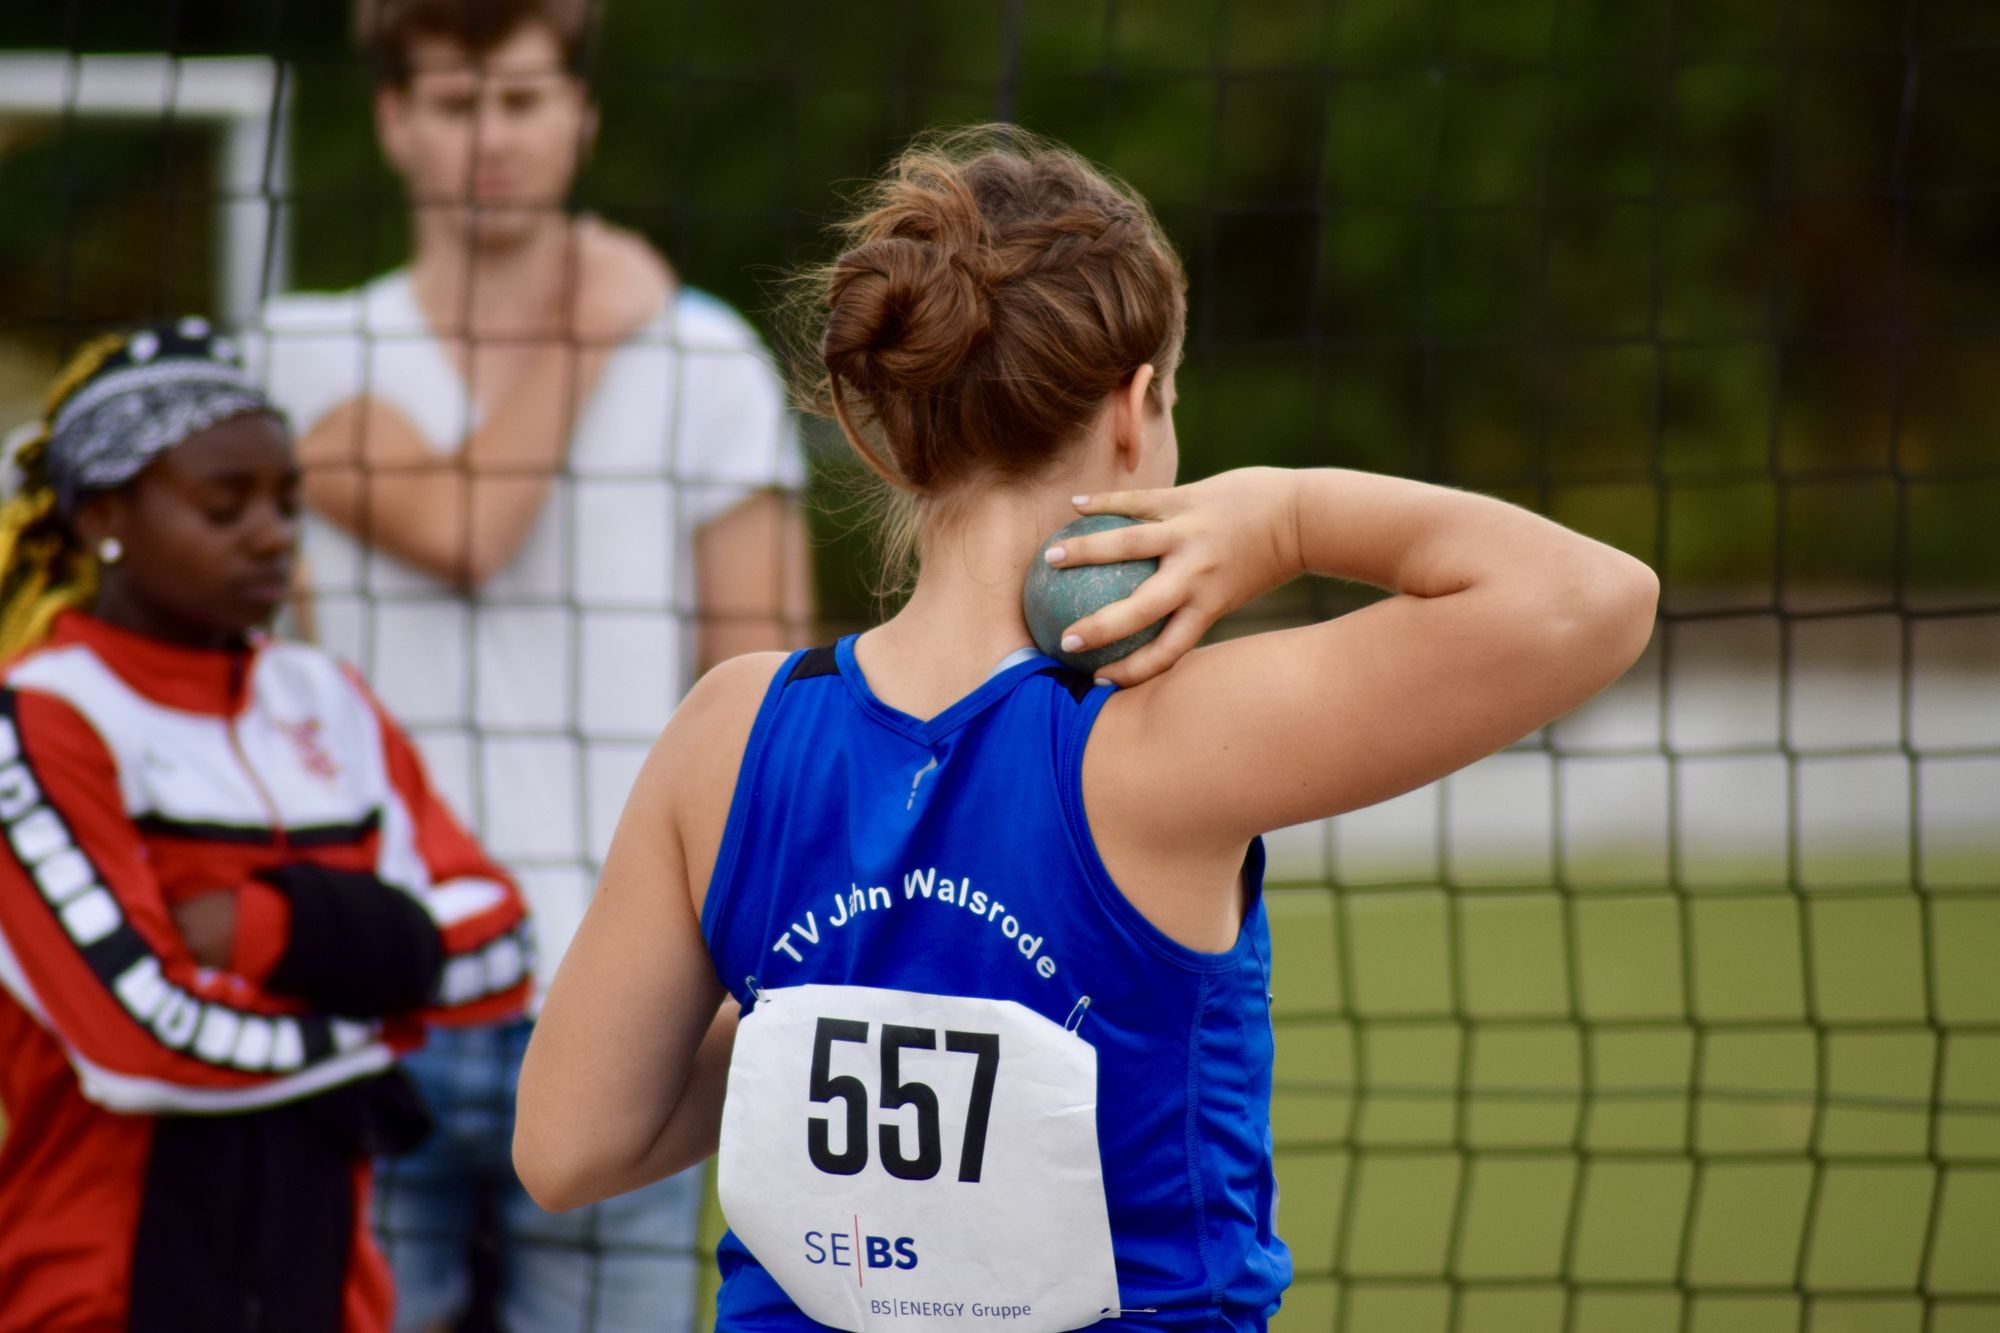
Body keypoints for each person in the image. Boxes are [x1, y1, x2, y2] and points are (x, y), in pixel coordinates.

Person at [511, 124, 1661, 1331]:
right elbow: (1589, 600)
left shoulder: (730, 730)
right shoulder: (1164, 739)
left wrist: (833, 999)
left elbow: (569, 1143)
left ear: (896, 431)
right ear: (1133, 411)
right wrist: (1282, 517)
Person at [256, 1, 810, 1329]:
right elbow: (464, 531)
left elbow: (767, 700)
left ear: (582, 118)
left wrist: (734, 976)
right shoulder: (306, 349)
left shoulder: (706, 360)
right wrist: (591, 326)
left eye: (520, 100)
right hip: (372, 996)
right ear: (394, 122)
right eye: (456, 105)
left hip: (627, 1000)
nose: (490, 138)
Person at [0, 320, 532, 1333]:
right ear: (105, 516)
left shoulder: (324, 697)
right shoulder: (41, 718)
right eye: (224, 505)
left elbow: (501, 939)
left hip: (331, 1289)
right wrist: (376, 1009)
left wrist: (270, 930)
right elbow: (139, 1038)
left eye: (286, 502)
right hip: (99, 1292)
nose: (272, 533)